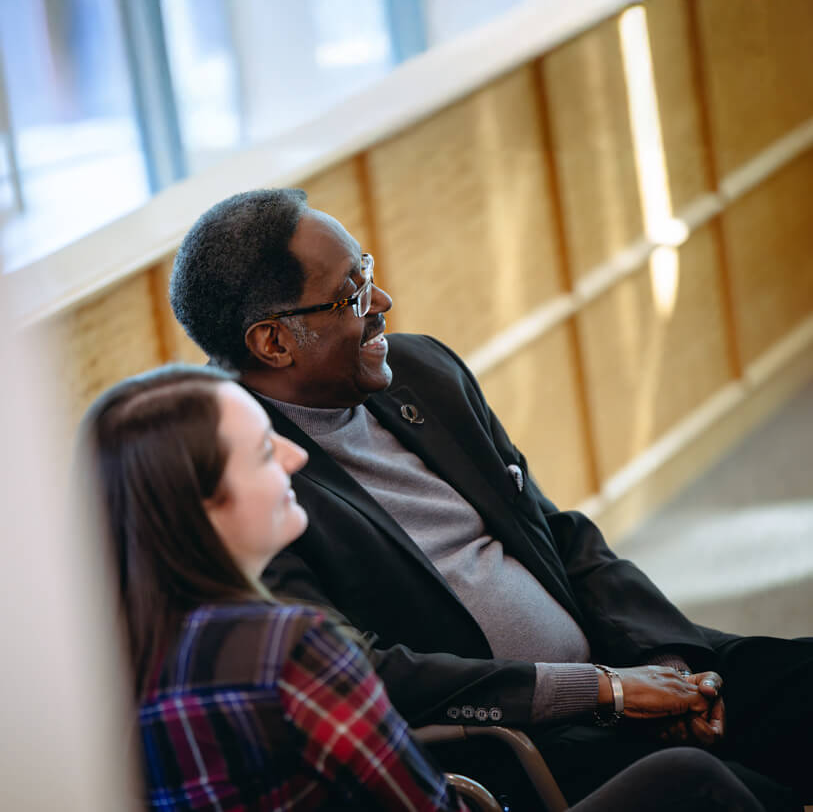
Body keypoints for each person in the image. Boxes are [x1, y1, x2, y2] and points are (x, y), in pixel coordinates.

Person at [168, 188, 813, 810]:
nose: (383, 300)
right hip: (519, 737)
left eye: (365, 271)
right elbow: (366, 673)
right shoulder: (245, 480)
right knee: (722, 787)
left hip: (623, 656)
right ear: (273, 343)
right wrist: (603, 693)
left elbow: (558, 533)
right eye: (352, 294)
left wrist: (664, 663)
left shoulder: (423, 370)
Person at [80, 364, 765, 812]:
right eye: (264, 451)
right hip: (497, 764)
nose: (293, 455)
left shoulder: (116, 655)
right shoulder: (286, 648)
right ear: (204, 506)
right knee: (690, 779)